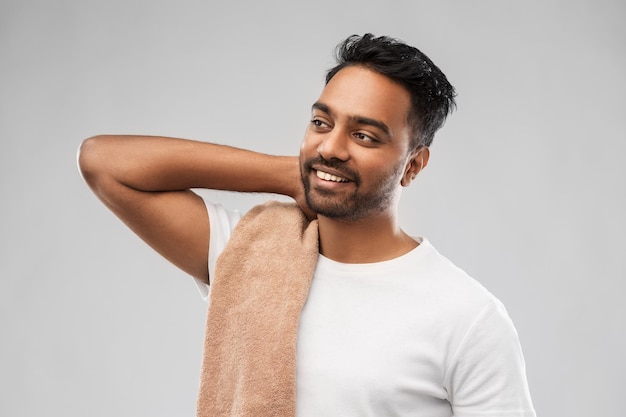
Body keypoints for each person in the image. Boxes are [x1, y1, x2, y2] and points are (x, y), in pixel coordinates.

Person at [78, 34, 536, 416]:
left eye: (364, 136)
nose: (332, 146)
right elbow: (105, 162)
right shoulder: (251, 254)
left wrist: (322, 171)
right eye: (321, 122)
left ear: (413, 166)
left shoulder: (468, 317)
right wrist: (292, 175)